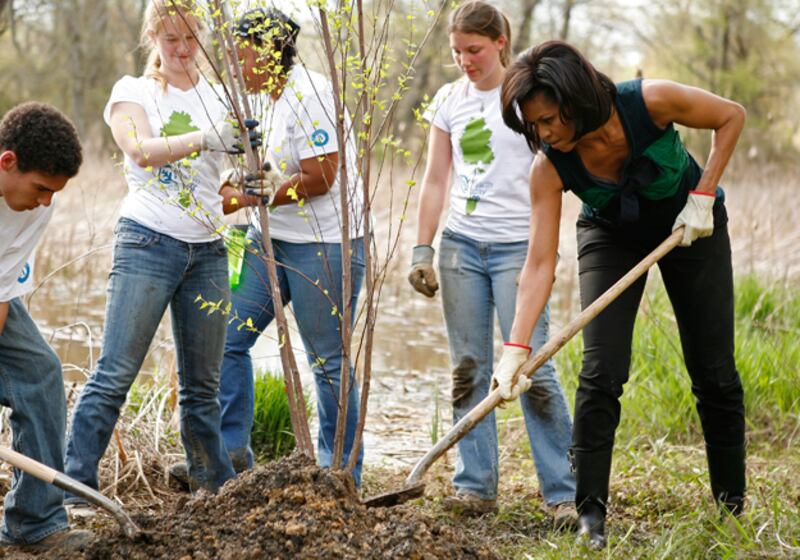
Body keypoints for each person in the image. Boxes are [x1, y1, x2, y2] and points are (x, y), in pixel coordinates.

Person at [498, 40, 747, 548]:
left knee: (714, 370)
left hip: (690, 226)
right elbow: (539, 264)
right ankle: (591, 515)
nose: (542, 134)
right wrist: (514, 350)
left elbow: (731, 116)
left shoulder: (650, 101)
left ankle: (731, 504)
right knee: (601, 371)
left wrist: (704, 198)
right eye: (532, 126)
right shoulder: (548, 168)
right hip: (610, 234)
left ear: (574, 100)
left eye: (547, 120)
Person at [63, 0, 256, 499]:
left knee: (202, 387)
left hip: (210, 250)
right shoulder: (134, 91)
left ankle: (211, 489)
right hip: (147, 241)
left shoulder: (222, 98)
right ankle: (72, 488)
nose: (183, 49)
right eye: (171, 39)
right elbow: (139, 150)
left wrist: (255, 173)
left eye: (191, 38)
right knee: (115, 373)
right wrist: (206, 137)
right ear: (152, 36)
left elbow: (231, 187)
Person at [408, 1, 576, 525]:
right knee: (468, 368)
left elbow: (555, 164)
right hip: (462, 247)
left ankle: (564, 492)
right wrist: (422, 247)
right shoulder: (448, 100)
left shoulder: (525, 97)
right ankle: (476, 487)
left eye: (474, 50)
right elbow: (436, 179)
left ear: (501, 42)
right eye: (456, 51)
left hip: (517, 251)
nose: (465, 61)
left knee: (530, 368)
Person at [207, 8, 366, 484]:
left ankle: (338, 474)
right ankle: (232, 457)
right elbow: (244, 174)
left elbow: (321, 177)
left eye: (240, 53)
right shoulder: (259, 100)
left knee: (326, 360)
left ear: (268, 52)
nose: (233, 62)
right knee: (228, 339)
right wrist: (236, 188)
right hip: (269, 239)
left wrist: (251, 196)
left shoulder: (308, 92)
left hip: (326, 242)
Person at [0, 102, 92, 551]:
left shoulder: (35, 208)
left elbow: (0, 295)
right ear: (7, 162)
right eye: (40, 187)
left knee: (39, 372)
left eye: (53, 192)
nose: (46, 201)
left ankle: (33, 523)